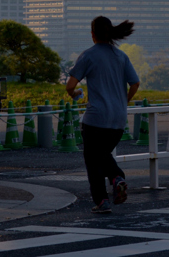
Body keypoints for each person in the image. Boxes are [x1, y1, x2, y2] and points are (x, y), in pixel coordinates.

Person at [66, 16, 140, 214]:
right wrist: (125, 100)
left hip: (95, 119)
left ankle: (103, 199)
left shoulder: (88, 56)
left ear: (92, 35)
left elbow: (70, 85)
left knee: (93, 160)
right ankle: (116, 179)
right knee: (101, 155)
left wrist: (75, 94)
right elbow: (135, 83)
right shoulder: (121, 56)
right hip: (117, 120)